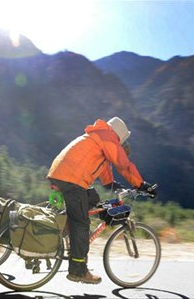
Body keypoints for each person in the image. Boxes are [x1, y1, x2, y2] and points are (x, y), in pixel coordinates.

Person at [47, 116, 156, 284]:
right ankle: (78, 270)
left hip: (61, 173)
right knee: (81, 223)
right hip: (72, 180)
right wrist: (141, 184)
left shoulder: (98, 135)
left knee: (93, 198)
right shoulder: (109, 138)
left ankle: (70, 233)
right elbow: (123, 164)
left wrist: (110, 183)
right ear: (120, 136)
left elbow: (104, 165)